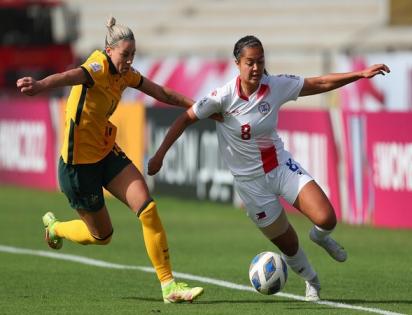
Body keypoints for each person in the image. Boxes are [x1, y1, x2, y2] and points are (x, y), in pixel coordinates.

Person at [147, 35, 390, 301]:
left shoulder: (275, 86)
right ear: (237, 64)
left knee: (326, 218)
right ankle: (312, 281)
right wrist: (159, 156)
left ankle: (320, 238)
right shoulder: (222, 97)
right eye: (249, 62)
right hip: (250, 185)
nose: (255, 68)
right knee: (289, 243)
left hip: (280, 167)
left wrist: (360, 74)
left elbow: (318, 82)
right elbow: (184, 119)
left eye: (260, 62)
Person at [16, 17, 204, 304]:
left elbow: (161, 92)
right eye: (124, 54)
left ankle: (169, 286)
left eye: (132, 55)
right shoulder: (98, 67)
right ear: (108, 50)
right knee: (102, 236)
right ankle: (55, 228)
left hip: (106, 153)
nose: (129, 61)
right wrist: (40, 85)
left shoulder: (125, 75)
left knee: (148, 209)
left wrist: (201, 108)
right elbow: (70, 76)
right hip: (78, 167)